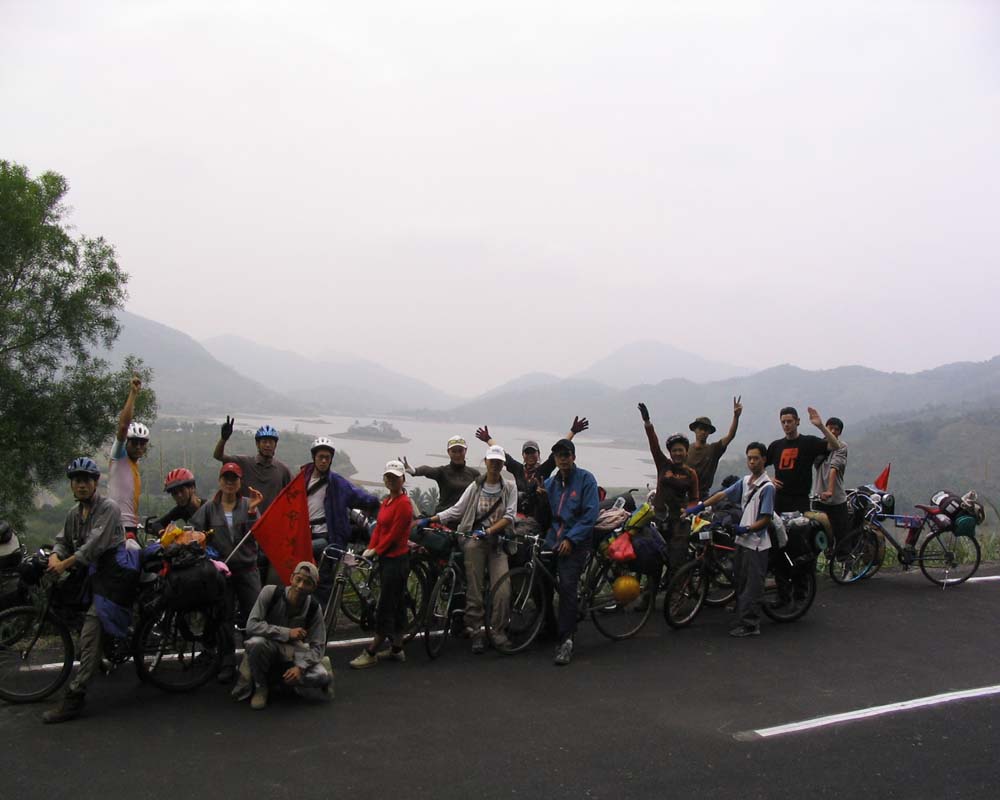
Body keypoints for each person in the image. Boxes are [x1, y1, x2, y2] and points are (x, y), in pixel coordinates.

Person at [42, 457, 126, 724]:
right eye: (77, 481)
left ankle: (75, 697)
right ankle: (100, 654)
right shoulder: (74, 514)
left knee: (91, 630)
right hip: (91, 575)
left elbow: (93, 547)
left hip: (112, 576)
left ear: (95, 483)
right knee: (67, 604)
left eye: (86, 480)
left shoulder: (108, 508)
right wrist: (55, 556)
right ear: (72, 485)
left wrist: (63, 564)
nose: (81, 485)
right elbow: (63, 541)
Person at [415, 445, 517, 653]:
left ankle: (498, 632)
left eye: (499, 462)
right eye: (492, 461)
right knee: (474, 588)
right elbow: (457, 510)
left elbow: (509, 516)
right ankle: (475, 631)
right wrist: (432, 519)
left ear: (503, 464)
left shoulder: (509, 487)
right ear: (486, 462)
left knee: (503, 590)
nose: (495, 465)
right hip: (474, 541)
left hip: (497, 542)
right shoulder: (476, 486)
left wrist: (489, 531)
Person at [685, 442, 775, 638]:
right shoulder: (746, 481)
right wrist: (700, 507)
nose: (752, 462)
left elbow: (766, 519)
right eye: (749, 458)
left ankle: (751, 625)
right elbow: (721, 495)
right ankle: (743, 618)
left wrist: (746, 528)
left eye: (756, 458)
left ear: (764, 460)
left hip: (756, 544)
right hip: (742, 541)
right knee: (740, 581)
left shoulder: (767, 487)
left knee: (752, 585)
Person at [189, 462, 264, 682]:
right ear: (220, 481)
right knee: (224, 617)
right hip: (222, 572)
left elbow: (257, 536)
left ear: (240, 482)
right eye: (226, 478)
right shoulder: (209, 508)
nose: (230, 482)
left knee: (254, 615)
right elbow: (195, 532)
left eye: (234, 478)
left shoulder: (249, 504)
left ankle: (254, 659)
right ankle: (227, 662)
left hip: (248, 570)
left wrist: (252, 512)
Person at [233, 561, 335, 710]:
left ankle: (287, 679)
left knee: (320, 675)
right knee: (255, 643)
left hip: (292, 651)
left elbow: (318, 645)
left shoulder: (313, 608)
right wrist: (287, 633)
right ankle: (261, 687)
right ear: (291, 578)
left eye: (307, 583)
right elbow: (252, 625)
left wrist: (300, 668)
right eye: (298, 579)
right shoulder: (270, 593)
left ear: (313, 588)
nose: (300, 586)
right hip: (268, 645)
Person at [539, 438, 599, 666]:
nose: (562, 459)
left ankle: (566, 640)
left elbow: (590, 515)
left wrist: (571, 539)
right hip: (552, 539)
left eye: (566, 455)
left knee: (566, 586)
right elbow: (547, 516)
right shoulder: (550, 484)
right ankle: (549, 625)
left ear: (573, 457)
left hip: (576, 542)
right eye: (559, 456)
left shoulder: (586, 480)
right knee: (540, 576)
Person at [300, 436, 382, 601]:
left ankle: (321, 614)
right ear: (314, 457)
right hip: (305, 533)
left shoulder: (337, 483)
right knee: (302, 578)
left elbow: (360, 496)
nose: (323, 461)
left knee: (322, 582)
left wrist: (382, 506)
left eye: (327, 458)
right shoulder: (303, 478)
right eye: (320, 457)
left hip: (326, 536)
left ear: (331, 460)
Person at [350, 461, 414, 669]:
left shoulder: (404, 504)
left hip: (397, 560)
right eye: (388, 477)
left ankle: (371, 651)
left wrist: (376, 550)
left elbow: (395, 534)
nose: (391, 480)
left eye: (395, 477)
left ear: (403, 479)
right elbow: (379, 528)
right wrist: (371, 547)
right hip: (387, 559)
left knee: (386, 605)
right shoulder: (387, 502)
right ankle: (397, 648)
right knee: (398, 604)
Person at [637, 403, 700, 574]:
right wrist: (647, 422)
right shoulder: (663, 465)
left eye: (681, 450)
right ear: (670, 453)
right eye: (674, 450)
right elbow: (654, 445)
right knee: (653, 560)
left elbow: (694, 498)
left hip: (679, 521)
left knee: (676, 561)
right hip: (658, 518)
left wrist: (689, 510)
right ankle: (652, 588)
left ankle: (675, 588)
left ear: (686, 452)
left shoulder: (691, 473)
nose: (677, 453)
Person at [766, 407, 843, 514]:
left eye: (789, 421)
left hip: (801, 500)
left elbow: (835, 446)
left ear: (797, 421)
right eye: (783, 422)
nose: (786, 425)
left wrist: (821, 426)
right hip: (779, 500)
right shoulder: (775, 446)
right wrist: (768, 479)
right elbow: (760, 466)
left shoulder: (809, 442)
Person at [213, 417, 292, 513]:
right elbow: (218, 456)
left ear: (275, 445)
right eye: (264, 442)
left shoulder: (282, 470)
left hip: (271, 520)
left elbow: (294, 494)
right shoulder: (244, 463)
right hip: (245, 518)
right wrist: (223, 439)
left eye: (271, 442)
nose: (268, 445)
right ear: (257, 444)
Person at [107, 376, 148, 543]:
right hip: (116, 526)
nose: (138, 447)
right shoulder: (119, 456)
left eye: (142, 443)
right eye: (134, 442)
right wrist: (133, 393)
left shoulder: (134, 465)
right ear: (126, 443)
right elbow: (123, 426)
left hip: (131, 526)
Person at [402, 435, 479, 513]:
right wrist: (415, 471)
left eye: (460, 451)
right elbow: (427, 470)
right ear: (448, 452)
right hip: (443, 516)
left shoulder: (474, 474)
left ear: (465, 450)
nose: (457, 454)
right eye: (454, 451)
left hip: (466, 516)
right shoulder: (443, 471)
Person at [685, 397, 743, 500]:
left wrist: (736, 417)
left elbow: (730, 436)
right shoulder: (686, 449)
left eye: (706, 430)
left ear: (709, 432)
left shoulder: (713, 450)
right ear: (695, 430)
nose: (703, 432)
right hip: (684, 494)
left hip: (703, 496)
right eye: (701, 429)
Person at [812, 417, 848, 553]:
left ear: (840, 432)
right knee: (817, 535)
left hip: (836, 500)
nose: (832, 431)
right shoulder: (818, 446)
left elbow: (834, 469)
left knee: (841, 536)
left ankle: (845, 562)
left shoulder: (841, 446)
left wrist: (830, 491)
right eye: (830, 428)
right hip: (818, 498)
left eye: (836, 429)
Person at [148, 468, 204, 536]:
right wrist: (162, 533)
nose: (179, 495)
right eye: (175, 493)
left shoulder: (208, 507)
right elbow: (157, 524)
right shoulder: (181, 510)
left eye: (182, 490)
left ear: (192, 488)